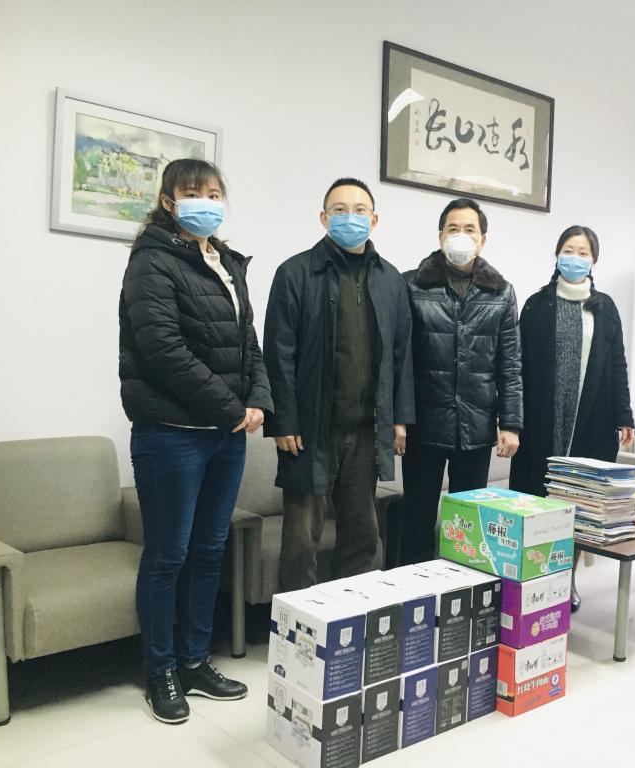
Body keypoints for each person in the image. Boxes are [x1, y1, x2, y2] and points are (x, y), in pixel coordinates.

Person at [119, 159, 272, 724]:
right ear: (168, 201)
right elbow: (162, 348)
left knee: (210, 551)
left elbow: (247, 342)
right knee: (168, 555)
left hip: (225, 436)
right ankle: (159, 669)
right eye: (191, 193)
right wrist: (232, 409)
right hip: (171, 435)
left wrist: (259, 400)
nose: (205, 202)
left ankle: (194, 661)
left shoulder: (226, 262)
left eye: (213, 193)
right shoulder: (151, 260)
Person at [263, 178, 414, 591]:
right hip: (310, 430)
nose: (351, 218)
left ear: (374, 219)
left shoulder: (390, 279)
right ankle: (298, 620)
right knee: (301, 539)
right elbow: (278, 353)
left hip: (368, 429)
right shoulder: (295, 273)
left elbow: (402, 354)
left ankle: (353, 615)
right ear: (323, 217)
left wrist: (399, 419)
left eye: (360, 210)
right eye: (340, 210)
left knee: (363, 534)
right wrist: (284, 421)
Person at [509, 225, 635, 612]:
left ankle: (566, 579)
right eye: (569, 249)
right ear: (557, 255)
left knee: (579, 502)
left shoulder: (605, 307)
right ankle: (530, 580)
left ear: (593, 260)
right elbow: (517, 365)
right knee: (538, 496)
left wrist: (624, 414)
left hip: (590, 418)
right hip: (542, 417)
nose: (575, 258)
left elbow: (616, 363)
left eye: (583, 252)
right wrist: (511, 418)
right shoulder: (536, 305)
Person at [400, 198, 523, 566]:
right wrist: (399, 418)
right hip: (424, 424)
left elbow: (510, 364)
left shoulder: (501, 292)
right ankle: (415, 591)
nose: (461, 235)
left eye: (470, 229)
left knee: (468, 528)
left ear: (482, 239)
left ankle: (463, 594)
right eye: (453, 228)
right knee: (417, 520)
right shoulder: (411, 285)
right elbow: (399, 360)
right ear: (441, 236)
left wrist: (511, 424)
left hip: (476, 426)